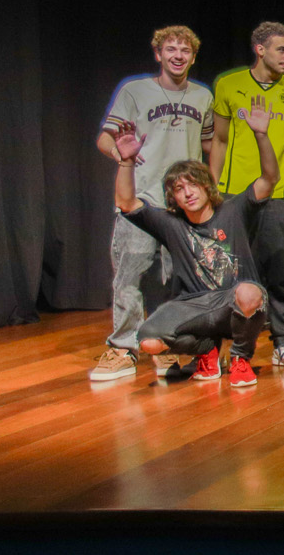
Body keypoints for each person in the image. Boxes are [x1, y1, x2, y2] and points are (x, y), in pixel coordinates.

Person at [110, 97, 280, 390]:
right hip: (195, 306)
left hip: (234, 302)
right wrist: (126, 162)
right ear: (173, 198)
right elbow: (125, 202)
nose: (188, 193)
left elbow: (270, 178)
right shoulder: (171, 223)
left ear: (206, 185)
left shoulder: (233, 210)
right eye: (179, 189)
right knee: (149, 341)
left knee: (249, 293)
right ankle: (207, 352)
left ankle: (240, 358)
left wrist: (262, 135)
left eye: (193, 184)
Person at [91, 25, 213, 382]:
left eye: (185, 50)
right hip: (141, 201)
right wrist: (122, 155)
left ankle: (164, 346)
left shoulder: (203, 96)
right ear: (158, 54)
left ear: (193, 57)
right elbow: (104, 139)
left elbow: (210, 145)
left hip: (183, 205)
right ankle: (122, 349)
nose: (178, 56)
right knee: (130, 277)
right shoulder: (135, 90)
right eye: (171, 49)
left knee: (174, 281)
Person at [209, 19, 284, 370]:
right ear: (260, 49)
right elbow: (219, 140)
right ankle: (221, 347)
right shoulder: (228, 84)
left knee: (278, 268)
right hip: (234, 193)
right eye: (281, 49)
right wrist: (212, 188)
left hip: (280, 194)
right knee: (228, 272)